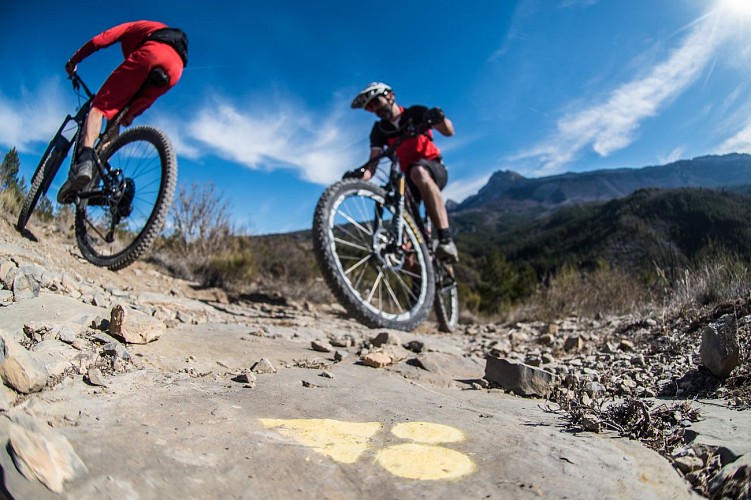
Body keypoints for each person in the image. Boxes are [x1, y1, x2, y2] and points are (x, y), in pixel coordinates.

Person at [58, 20, 188, 203]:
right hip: (175, 72)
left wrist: (74, 60)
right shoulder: (165, 33)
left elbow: (100, 40)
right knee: (119, 120)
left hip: (152, 54)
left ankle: (86, 162)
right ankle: (100, 179)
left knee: (98, 107)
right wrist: (132, 114)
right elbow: (144, 100)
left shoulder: (137, 26)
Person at [348, 82, 459, 263]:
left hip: (433, 169)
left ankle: (445, 239)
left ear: (390, 96)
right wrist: (357, 177)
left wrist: (439, 117)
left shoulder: (414, 113)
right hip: (408, 180)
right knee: (402, 231)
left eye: (377, 102)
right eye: (370, 108)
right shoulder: (379, 130)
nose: (375, 109)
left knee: (418, 172)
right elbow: (373, 164)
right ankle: (419, 286)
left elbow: (448, 131)